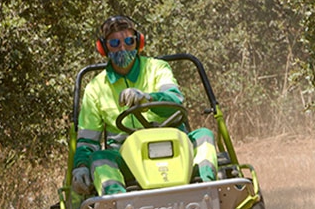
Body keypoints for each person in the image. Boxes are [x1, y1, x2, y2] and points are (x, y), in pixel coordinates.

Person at [71, 15, 218, 197]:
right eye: (115, 43)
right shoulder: (95, 88)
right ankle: (118, 203)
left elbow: (175, 99)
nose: (123, 47)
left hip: (176, 150)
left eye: (128, 41)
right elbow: (88, 140)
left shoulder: (158, 69)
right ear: (104, 48)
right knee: (99, 159)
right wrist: (81, 166)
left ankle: (208, 189)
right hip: (125, 160)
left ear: (138, 42)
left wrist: (148, 99)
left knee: (204, 136)